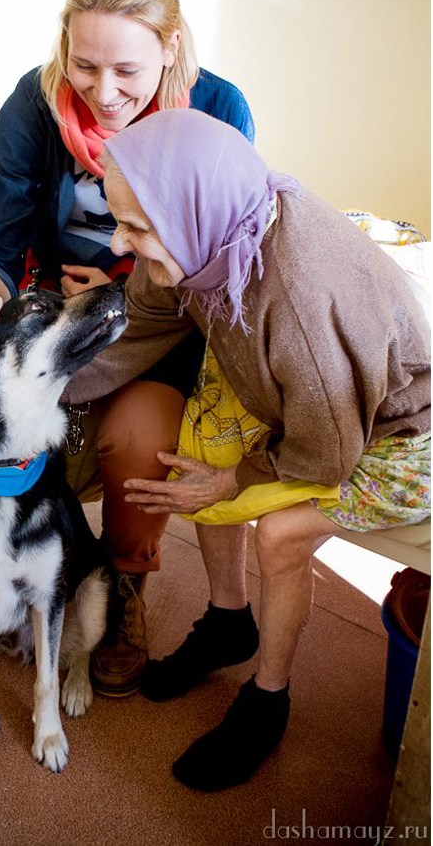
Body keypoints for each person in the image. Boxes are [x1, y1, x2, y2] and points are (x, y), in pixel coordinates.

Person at [0, 0, 255, 698]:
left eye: (127, 71)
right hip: (51, 307)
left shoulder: (218, 112)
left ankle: (122, 583)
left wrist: (130, 288)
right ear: (64, 44)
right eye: (84, 65)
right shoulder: (33, 103)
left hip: (158, 316)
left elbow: (217, 261)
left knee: (136, 442)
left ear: (170, 47)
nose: (103, 93)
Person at [63, 108, 431, 791]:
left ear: (187, 213)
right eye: (119, 220)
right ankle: (229, 621)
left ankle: (267, 700)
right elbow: (136, 328)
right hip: (314, 404)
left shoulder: (298, 304)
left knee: (279, 534)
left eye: (135, 227)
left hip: (402, 433)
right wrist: (31, 394)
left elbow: (326, 452)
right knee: (200, 446)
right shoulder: (205, 231)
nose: (119, 241)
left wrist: (236, 479)